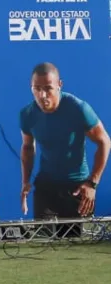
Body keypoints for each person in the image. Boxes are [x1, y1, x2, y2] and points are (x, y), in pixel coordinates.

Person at [20, 62, 110, 219]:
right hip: (46, 186)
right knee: (44, 241)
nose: (42, 95)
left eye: (48, 88)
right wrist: (26, 182)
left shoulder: (78, 108)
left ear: (59, 85)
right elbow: (28, 147)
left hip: (77, 187)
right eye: (37, 89)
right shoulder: (27, 114)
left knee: (77, 242)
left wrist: (92, 184)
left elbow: (104, 142)